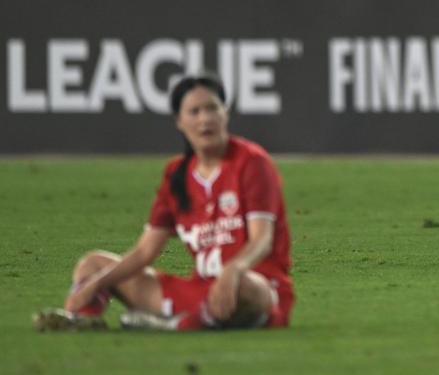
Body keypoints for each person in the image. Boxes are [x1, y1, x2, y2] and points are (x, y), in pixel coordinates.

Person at [33, 74, 293, 331]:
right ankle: (82, 321)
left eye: (212, 108)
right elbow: (144, 252)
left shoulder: (252, 162)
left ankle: (177, 325)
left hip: (258, 291)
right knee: (93, 266)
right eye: (194, 111)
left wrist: (234, 270)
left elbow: (262, 240)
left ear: (225, 113)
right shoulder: (176, 174)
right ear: (179, 121)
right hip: (201, 292)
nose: (205, 118)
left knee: (247, 287)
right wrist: (97, 283)